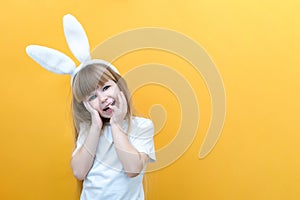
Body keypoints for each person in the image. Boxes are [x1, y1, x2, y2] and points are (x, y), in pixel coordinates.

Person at [70, 62, 156, 199]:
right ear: (86, 105)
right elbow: (79, 172)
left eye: (106, 88)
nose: (103, 98)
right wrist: (95, 127)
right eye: (92, 97)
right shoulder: (88, 129)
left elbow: (133, 169)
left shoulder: (142, 126)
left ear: (119, 86)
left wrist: (116, 124)